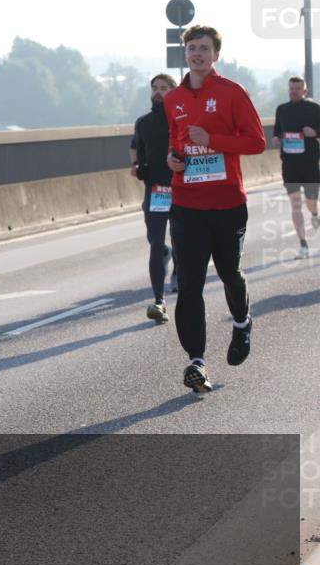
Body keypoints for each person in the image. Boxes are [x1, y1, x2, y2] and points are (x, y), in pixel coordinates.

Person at [163, 25, 266, 394]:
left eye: (204, 48)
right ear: (184, 53)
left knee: (229, 274)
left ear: (215, 55)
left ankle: (241, 322)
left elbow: (257, 142)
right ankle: (197, 361)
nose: (197, 54)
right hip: (187, 204)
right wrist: (173, 159)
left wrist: (214, 141)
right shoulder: (172, 98)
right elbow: (177, 143)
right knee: (189, 283)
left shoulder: (232, 93)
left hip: (227, 203)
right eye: (192, 48)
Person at [132, 74, 178, 324]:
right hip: (156, 191)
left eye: (163, 88)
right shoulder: (143, 123)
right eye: (155, 88)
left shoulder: (180, 120)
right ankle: (159, 300)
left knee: (182, 240)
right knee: (156, 243)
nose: (158, 92)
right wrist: (141, 168)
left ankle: (166, 293)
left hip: (181, 189)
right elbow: (140, 156)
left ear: (173, 91)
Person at [272, 75, 320, 259]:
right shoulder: (282, 109)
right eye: (291, 88)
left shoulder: (314, 108)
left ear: (304, 91)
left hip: (309, 163)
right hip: (289, 164)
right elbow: (277, 130)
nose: (293, 91)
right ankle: (303, 245)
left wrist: (314, 132)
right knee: (295, 204)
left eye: (297, 89)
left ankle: (315, 213)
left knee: (310, 203)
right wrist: (276, 139)